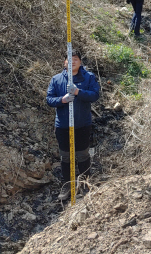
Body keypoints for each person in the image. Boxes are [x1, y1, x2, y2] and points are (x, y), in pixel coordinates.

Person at [46, 51, 100, 201]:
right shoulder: (56, 79)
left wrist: (78, 92)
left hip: (83, 124)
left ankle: (84, 184)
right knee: (65, 156)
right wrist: (62, 100)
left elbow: (95, 95)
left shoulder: (88, 77)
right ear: (64, 63)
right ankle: (67, 185)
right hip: (63, 125)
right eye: (69, 60)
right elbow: (49, 99)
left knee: (82, 154)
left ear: (80, 62)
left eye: (75, 59)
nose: (72, 62)